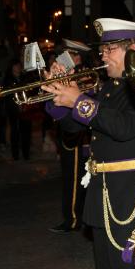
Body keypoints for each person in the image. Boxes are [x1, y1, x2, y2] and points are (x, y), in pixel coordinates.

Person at [42, 19, 135, 269]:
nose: (101, 55)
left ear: (133, 48)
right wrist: (61, 91)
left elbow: (123, 127)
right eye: (103, 49)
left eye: (109, 48)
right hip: (103, 197)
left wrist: (79, 100)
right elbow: (74, 129)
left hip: (133, 198)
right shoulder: (110, 88)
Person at [47, 39, 92, 233]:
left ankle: (74, 219)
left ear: (77, 57)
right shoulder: (65, 73)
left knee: (77, 178)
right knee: (70, 177)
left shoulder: (87, 76)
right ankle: (73, 217)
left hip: (82, 135)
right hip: (67, 131)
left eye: (69, 55)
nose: (63, 58)